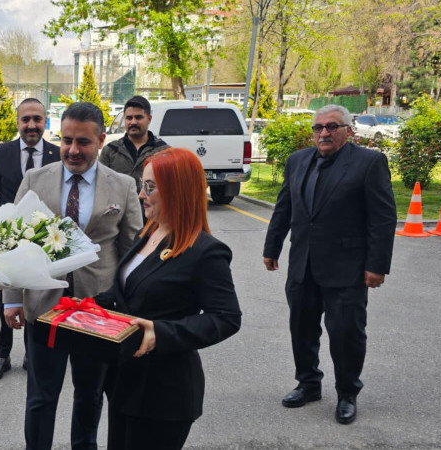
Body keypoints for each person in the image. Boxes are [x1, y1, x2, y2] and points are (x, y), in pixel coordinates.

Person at [3, 102, 143, 450]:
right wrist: (11, 297)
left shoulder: (123, 186)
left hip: (96, 311)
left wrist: (127, 309)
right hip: (44, 307)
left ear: (101, 140)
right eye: (66, 140)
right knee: (40, 397)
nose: (73, 150)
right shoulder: (35, 180)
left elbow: (131, 253)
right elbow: (11, 241)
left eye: (83, 142)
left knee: (89, 395)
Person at [94, 147, 242, 450]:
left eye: (150, 187)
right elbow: (128, 292)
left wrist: (161, 332)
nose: (140, 194)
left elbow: (226, 318)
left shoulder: (206, 251)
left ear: (177, 190)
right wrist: (89, 306)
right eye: (141, 185)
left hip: (164, 394)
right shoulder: (148, 233)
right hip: (126, 382)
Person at [262, 104, 397, 425]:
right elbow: (284, 207)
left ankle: (348, 393)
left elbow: (382, 219)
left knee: (346, 334)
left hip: (347, 269)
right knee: (301, 329)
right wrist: (272, 246)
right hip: (303, 265)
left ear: (348, 130)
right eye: (318, 127)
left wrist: (377, 265)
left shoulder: (369, 163)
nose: (324, 133)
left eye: (332, 126)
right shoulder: (297, 161)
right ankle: (308, 384)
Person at [0, 98, 60, 382]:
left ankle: (31, 352)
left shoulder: (58, 154)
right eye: (26, 119)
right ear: (18, 123)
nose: (31, 125)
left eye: (37, 119)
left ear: (45, 122)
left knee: (38, 296)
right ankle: (2, 355)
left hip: (44, 239)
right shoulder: (2, 153)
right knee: (6, 297)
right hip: (6, 240)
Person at [98, 95, 169, 194]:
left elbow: (170, 188)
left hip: (151, 208)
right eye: (129, 118)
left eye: (138, 117)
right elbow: (100, 186)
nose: (133, 122)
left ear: (149, 119)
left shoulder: (163, 151)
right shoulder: (110, 151)